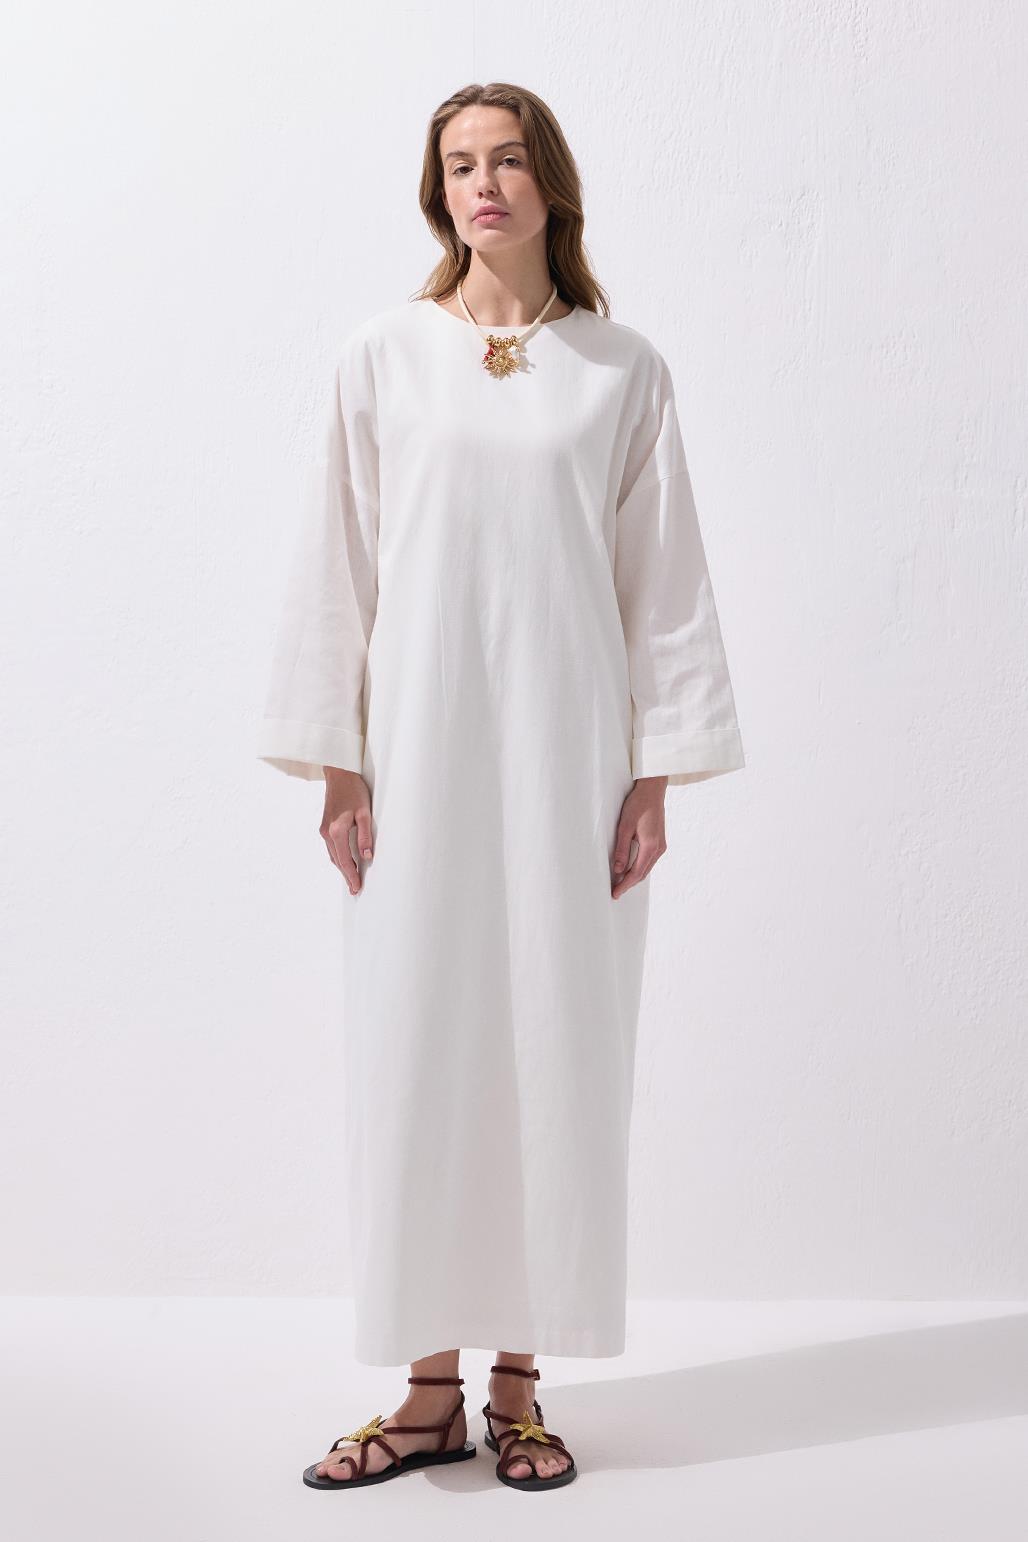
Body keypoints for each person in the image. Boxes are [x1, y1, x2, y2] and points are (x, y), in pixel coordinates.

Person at [256, 81, 745, 1492]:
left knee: (555, 1041)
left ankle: (520, 1386)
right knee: (418, 1041)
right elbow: (337, 559)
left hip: (568, 759)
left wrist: (656, 774)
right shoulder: (383, 356)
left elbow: (663, 582)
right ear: (439, 194)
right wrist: (337, 759)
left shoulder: (619, 368)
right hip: (415, 757)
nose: (484, 184)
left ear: (550, 183)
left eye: (509, 159)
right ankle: (426, 1393)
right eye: (460, 165)